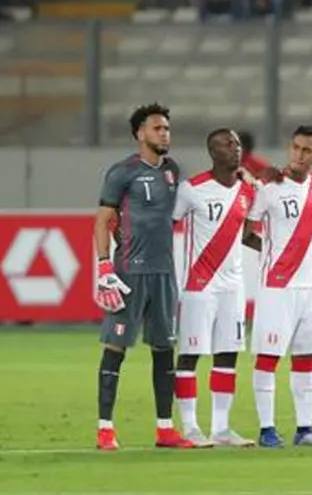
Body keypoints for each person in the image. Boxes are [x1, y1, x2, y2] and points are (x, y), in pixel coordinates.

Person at [93, 103, 193, 450]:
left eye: (167, 128)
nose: (164, 134)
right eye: (157, 128)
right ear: (140, 133)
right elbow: (103, 220)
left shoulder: (172, 170)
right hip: (130, 273)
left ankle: (165, 429)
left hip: (164, 273)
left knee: (165, 348)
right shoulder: (122, 172)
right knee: (116, 346)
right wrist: (104, 266)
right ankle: (105, 429)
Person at [171, 129, 259, 447]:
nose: (234, 149)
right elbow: (168, 223)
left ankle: (221, 429)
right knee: (190, 355)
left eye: (237, 144)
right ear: (212, 152)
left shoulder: (248, 191)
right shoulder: (192, 189)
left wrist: (277, 252)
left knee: (227, 355)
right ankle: (191, 427)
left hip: (233, 287)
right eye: (226, 144)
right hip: (200, 286)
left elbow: (246, 234)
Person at [246, 125, 312, 448]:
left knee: (306, 359)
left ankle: (304, 429)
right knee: (268, 358)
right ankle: (267, 429)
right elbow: (246, 232)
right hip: (277, 287)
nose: (299, 154)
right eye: (295, 147)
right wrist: (273, 253)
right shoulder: (269, 187)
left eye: (307, 150)